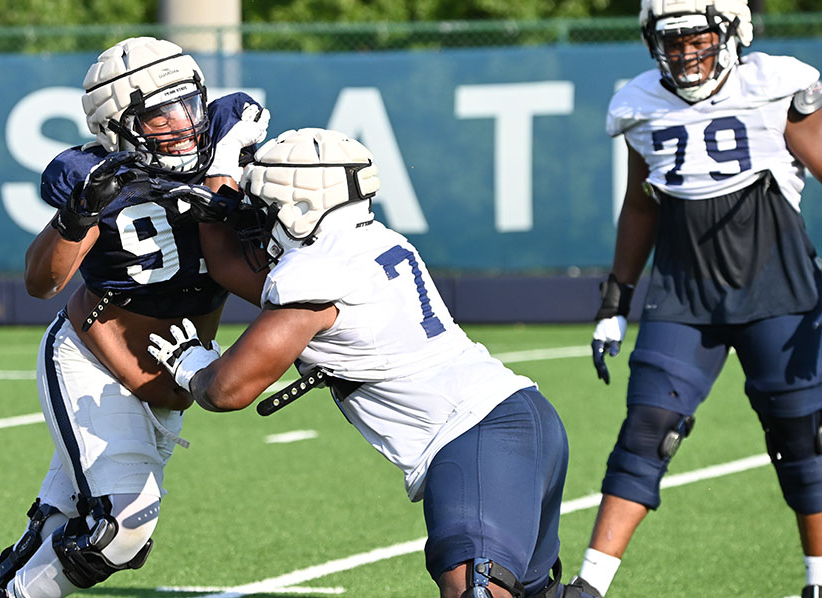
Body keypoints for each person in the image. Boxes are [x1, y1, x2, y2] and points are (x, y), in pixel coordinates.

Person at [147, 127, 570, 598]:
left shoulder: (314, 272)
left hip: (472, 437)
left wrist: (190, 366)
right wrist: (217, 171)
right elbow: (231, 268)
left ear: (301, 208)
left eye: (265, 209)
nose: (257, 220)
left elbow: (229, 390)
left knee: (476, 591)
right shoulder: (370, 243)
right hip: (524, 417)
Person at [0, 36, 269, 598]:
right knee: (121, 531)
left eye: (190, 105)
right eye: (160, 115)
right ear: (118, 126)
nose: (184, 124)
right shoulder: (97, 177)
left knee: (74, 522)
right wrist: (76, 216)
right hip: (94, 362)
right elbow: (42, 283)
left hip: (171, 373)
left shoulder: (226, 142)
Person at [576, 0, 822, 596]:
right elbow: (641, 206)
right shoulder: (638, 103)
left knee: (804, 440)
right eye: (673, 41)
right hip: (683, 294)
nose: (686, 54)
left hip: (779, 290)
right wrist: (615, 298)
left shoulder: (775, 86)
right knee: (646, 429)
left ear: (733, 33)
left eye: (699, 40)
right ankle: (589, 585)